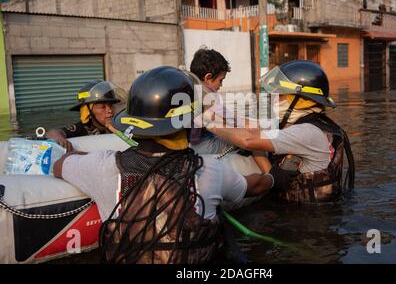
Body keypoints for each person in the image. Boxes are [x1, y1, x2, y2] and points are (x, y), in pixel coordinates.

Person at [53, 66, 274, 264]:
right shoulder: (209, 170)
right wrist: (275, 177)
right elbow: (255, 186)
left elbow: (59, 165)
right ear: (186, 123)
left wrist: (79, 155)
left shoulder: (101, 166)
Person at [206, 60, 355, 203]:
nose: (275, 100)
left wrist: (209, 124)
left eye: (281, 95)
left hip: (305, 218)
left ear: (300, 100)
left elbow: (248, 140)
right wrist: (213, 113)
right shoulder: (312, 122)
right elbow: (253, 126)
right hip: (297, 204)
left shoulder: (306, 132)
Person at [45, 80, 122, 151]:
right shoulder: (82, 128)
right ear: (88, 111)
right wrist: (58, 138)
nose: (110, 111)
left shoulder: (120, 125)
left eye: (111, 106)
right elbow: (53, 132)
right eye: (103, 107)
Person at [187, 48, 236, 155]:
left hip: (190, 144)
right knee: (252, 141)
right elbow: (227, 121)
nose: (221, 85)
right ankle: (269, 171)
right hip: (202, 146)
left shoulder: (190, 87)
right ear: (208, 77)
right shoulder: (208, 96)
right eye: (221, 80)